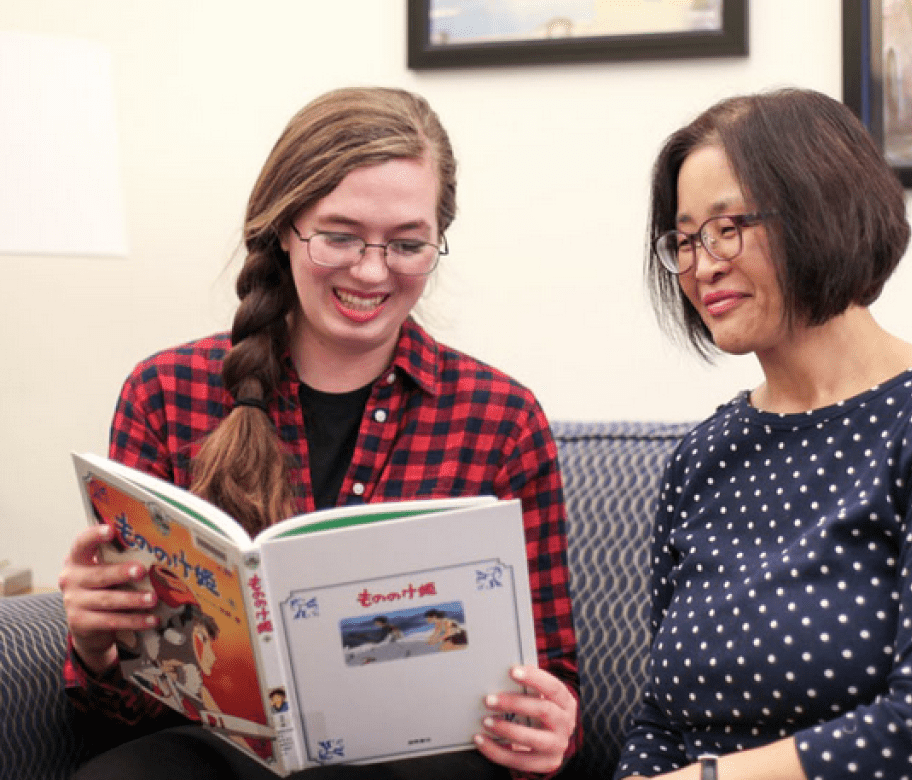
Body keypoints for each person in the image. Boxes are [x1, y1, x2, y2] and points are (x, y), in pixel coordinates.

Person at [58, 86, 578, 780]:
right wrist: (96, 647)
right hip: (226, 756)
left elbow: (553, 676)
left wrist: (550, 730)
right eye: (339, 235)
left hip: (420, 763)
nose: (370, 270)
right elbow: (113, 716)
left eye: (407, 244)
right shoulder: (165, 393)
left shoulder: (501, 418)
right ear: (283, 227)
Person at [617, 88, 912, 780]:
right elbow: (663, 722)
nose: (702, 265)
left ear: (819, 212)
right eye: (686, 238)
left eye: (729, 227)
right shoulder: (702, 458)